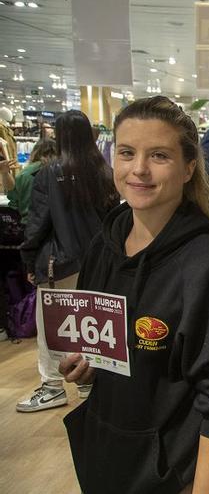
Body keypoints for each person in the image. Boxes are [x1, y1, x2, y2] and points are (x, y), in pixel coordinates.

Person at [57, 95, 209, 494]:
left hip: (182, 473)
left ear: (188, 168)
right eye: (127, 153)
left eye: (159, 156)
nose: (139, 170)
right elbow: (107, 347)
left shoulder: (208, 268)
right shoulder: (105, 244)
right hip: (111, 454)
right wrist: (86, 363)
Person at [17, 110, 119, 413]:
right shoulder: (104, 170)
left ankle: (52, 387)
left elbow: (38, 223)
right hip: (98, 262)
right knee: (92, 327)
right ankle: (88, 384)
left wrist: (28, 260)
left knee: (52, 328)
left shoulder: (50, 172)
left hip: (58, 265)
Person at [8, 138, 56, 223]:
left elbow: (13, 203)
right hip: (55, 226)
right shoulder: (60, 171)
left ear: (34, 152)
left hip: (29, 224)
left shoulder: (23, 173)